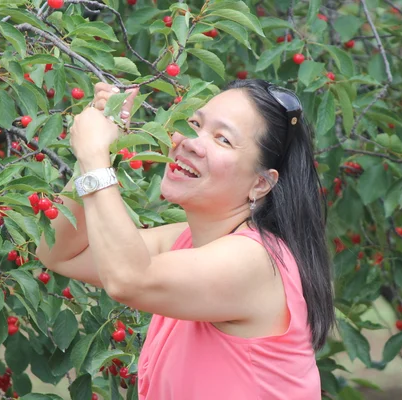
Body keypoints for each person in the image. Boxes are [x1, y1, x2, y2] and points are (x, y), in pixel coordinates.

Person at [36, 78, 335, 399]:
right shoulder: (186, 242)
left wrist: (95, 156)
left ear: (260, 184)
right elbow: (60, 252)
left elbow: (127, 279)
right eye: (194, 123)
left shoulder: (256, 262)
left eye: (223, 139)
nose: (192, 141)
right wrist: (98, 149)